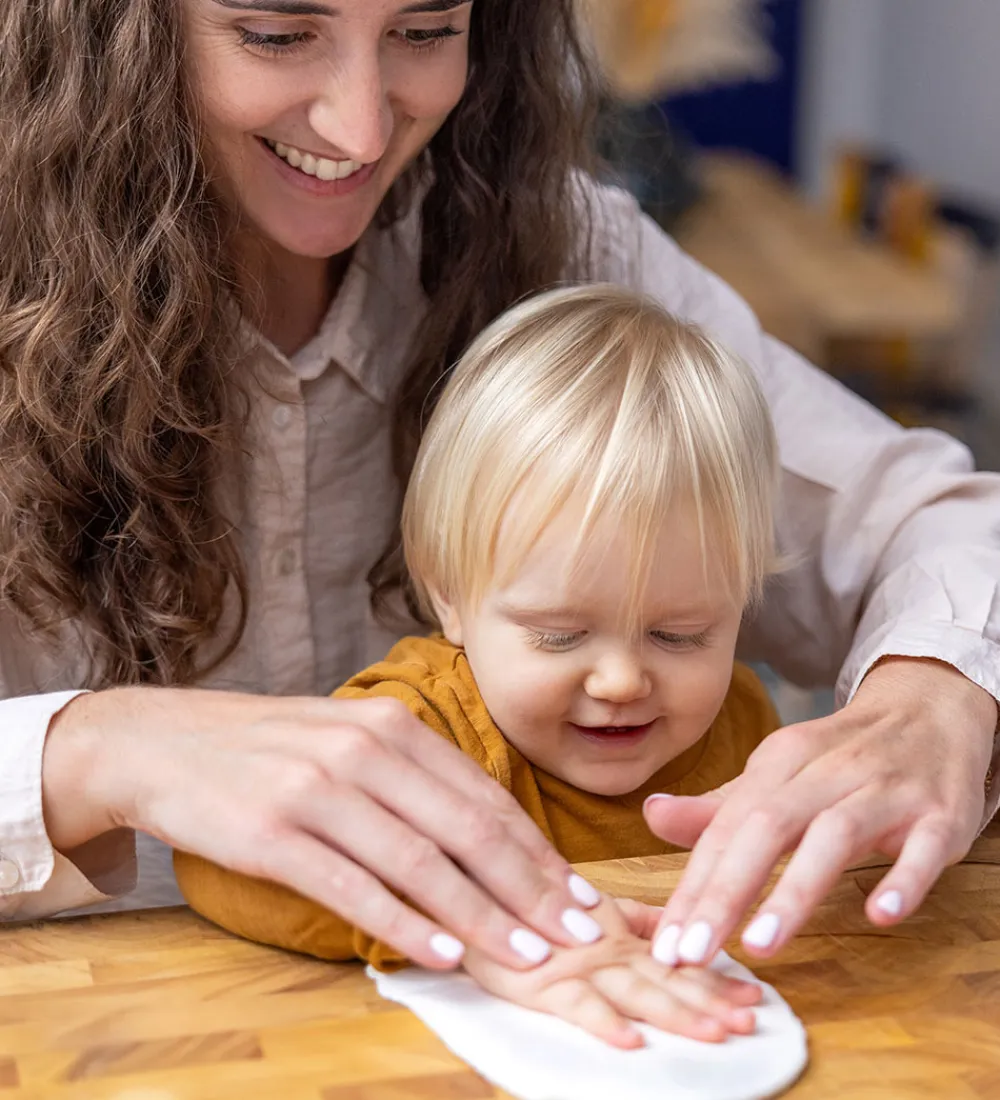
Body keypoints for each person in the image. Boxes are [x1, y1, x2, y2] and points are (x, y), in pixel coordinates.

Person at [0, 0, 997, 973]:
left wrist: (932, 690)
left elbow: (931, 521)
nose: (361, 125)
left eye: (424, 32)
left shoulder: (556, 244)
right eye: (276, 34)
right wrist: (99, 751)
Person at [175, 285, 780, 1048]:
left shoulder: (747, 729)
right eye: (559, 635)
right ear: (450, 596)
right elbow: (220, 863)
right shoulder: (421, 731)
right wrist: (464, 913)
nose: (622, 681)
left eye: (682, 634)